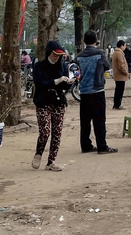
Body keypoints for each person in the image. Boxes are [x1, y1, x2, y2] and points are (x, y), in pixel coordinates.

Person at [31, 41, 75, 171]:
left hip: (58, 102)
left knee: (57, 132)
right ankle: (39, 153)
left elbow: (64, 86)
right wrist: (57, 81)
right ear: (48, 53)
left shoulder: (63, 66)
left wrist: (69, 82)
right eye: (54, 54)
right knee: (45, 132)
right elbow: (40, 83)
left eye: (58, 55)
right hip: (43, 101)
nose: (56, 57)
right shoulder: (39, 66)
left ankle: (51, 162)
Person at [77, 30, 117, 154]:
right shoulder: (100, 53)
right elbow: (106, 66)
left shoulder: (79, 56)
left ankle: (86, 145)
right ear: (96, 40)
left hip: (83, 91)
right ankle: (102, 146)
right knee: (99, 120)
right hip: (97, 90)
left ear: (84, 41)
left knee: (85, 120)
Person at [111, 40, 129, 110]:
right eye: (124, 46)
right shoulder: (119, 53)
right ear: (121, 46)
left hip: (118, 75)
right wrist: (126, 72)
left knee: (118, 90)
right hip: (120, 75)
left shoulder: (117, 53)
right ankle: (117, 104)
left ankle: (116, 104)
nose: (125, 47)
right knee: (119, 91)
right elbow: (121, 65)